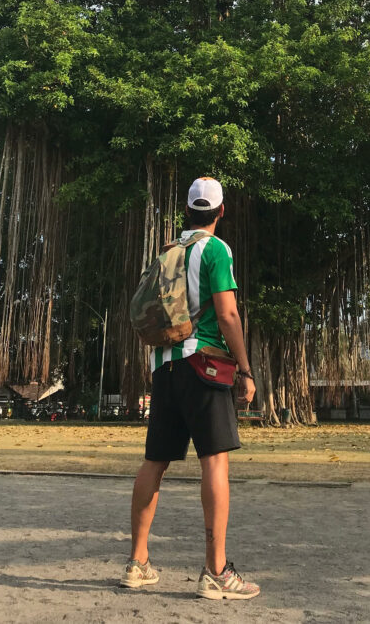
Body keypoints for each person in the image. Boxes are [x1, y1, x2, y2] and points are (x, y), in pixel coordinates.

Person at [121, 176, 260, 600]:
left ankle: (137, 562)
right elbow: (228, 314)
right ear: (220, 212)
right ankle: (216, 571)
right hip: (205, 367)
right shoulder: (216, 250)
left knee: (154, 462)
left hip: (164, 368)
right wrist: (246, 369)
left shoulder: (168, 251)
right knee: (215, 463)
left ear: (187, 211)